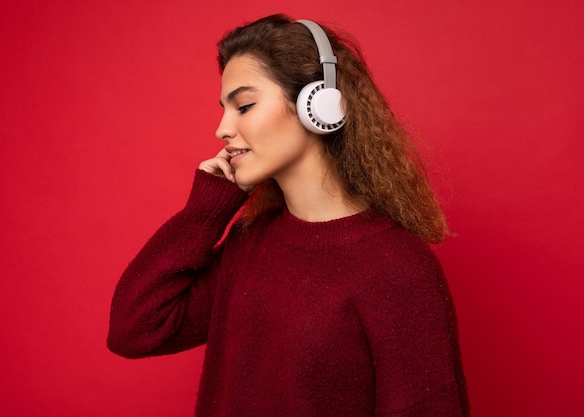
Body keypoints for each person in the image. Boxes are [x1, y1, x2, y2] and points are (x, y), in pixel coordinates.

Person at [107, 14, 469, 417]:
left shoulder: (398, 270)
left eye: (244, 105)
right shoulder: (250, 242)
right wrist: (205, 212)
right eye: (225, 109)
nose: (222, 129)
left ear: (319, 105)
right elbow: (134, 331)